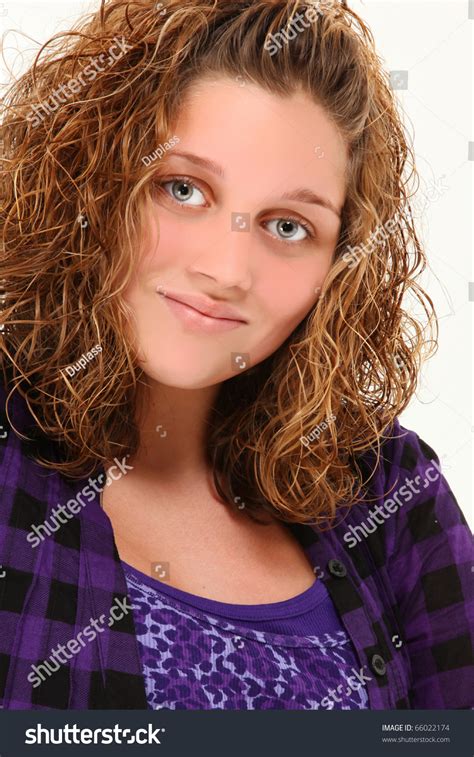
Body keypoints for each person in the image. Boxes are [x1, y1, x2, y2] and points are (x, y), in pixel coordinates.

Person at [0, 0, 472, 711]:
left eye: (288, 225)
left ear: (338, 265)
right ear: (90, 174)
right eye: (183, 189)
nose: (227, 270)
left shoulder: (389, 493)